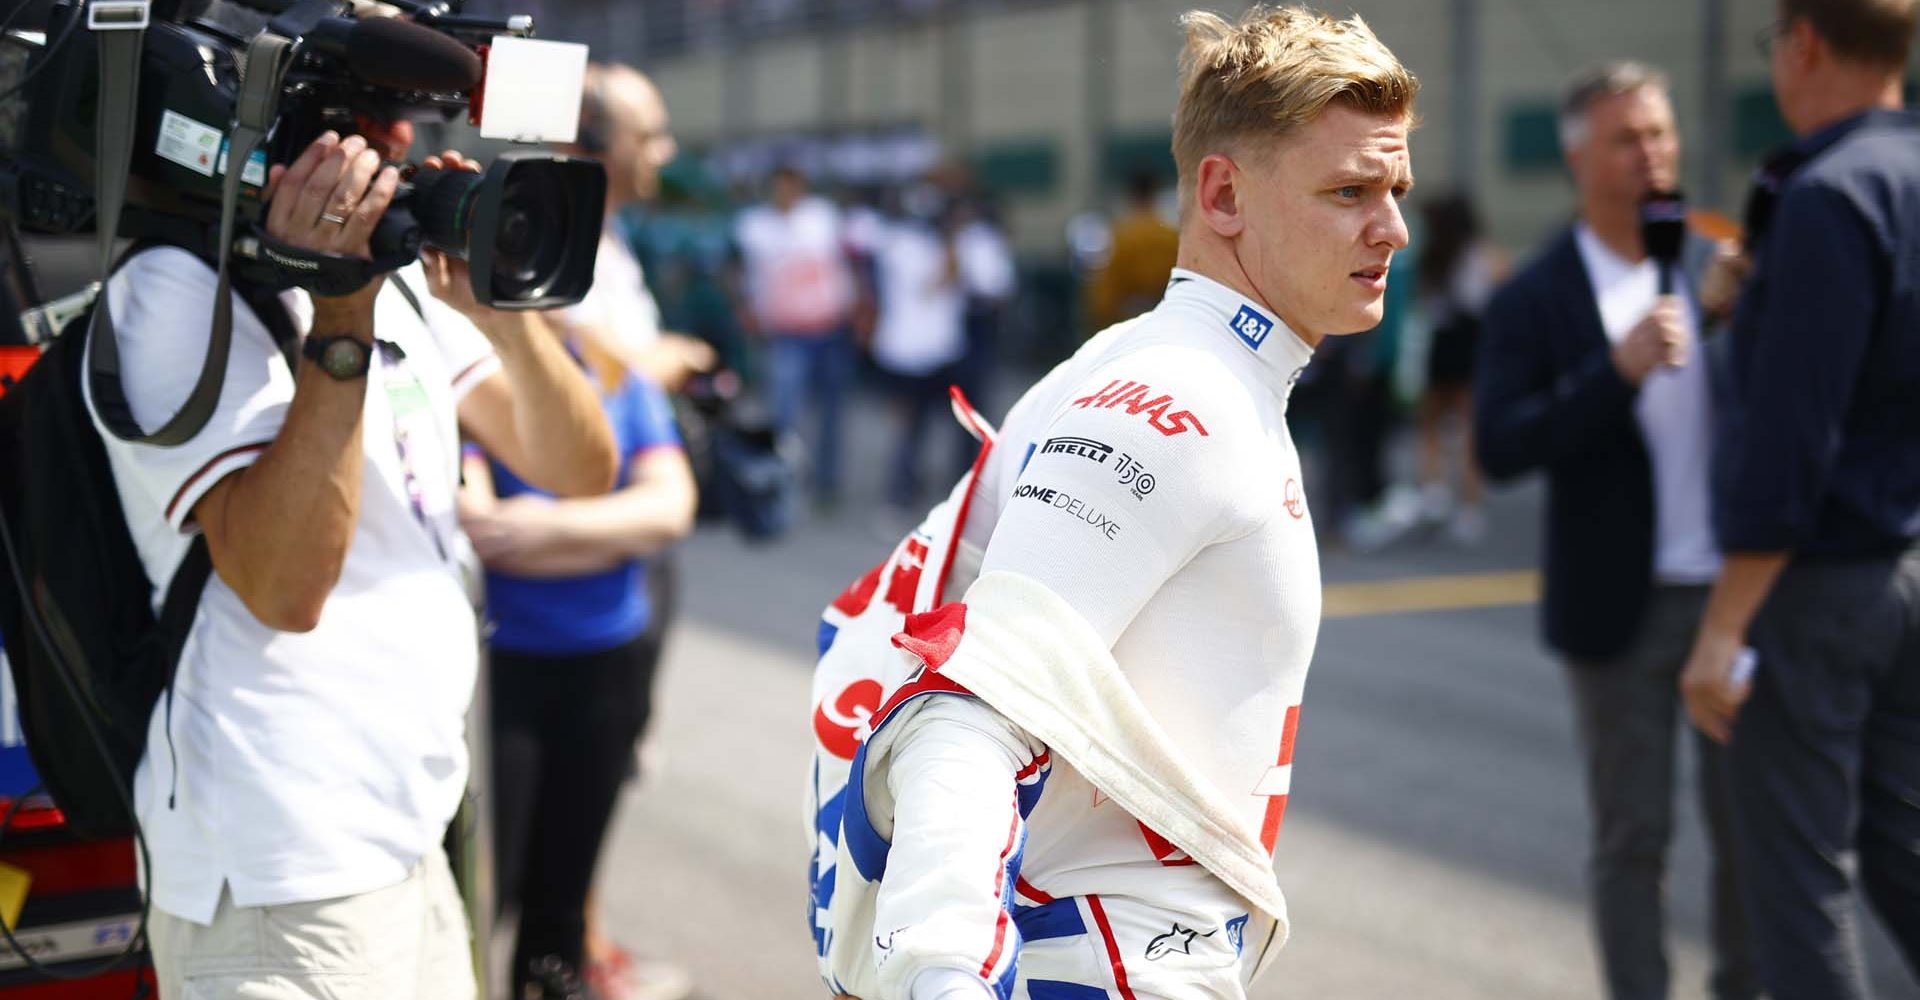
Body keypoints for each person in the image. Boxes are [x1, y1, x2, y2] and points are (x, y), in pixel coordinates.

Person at [806, 7, 1415, 999]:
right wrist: (942, 974)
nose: (1390, 227)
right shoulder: (1184, 394)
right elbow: (971, 704)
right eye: (1350, 190)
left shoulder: (1154, 363)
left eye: (1395, 189)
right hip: (1099, 966)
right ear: (1222, 194)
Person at [92, 122, 617, 998]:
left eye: (412, 109)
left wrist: (503, 319)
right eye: (372, 104)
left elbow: (579, 469)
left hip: (409, 840)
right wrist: (338, 315)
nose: (405, 134)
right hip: (281, 876)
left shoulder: (400, 283)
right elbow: (286, 590)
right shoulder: (175, 290)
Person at [1473, 63, 1754, 1000]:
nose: (1654, 156)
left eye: (1663, 135)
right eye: (1629, 140)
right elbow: (1500, 445)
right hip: (1616, 603)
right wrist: (1616, 372)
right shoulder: (1537, 293)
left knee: (1754, 827)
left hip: (1734, 594)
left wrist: (1735, 312)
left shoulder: (1722, 259)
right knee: (1633, 839)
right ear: (1579, 157)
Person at [1680, 1, 1920, 995]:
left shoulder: (1828, 193)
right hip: (1902, 568)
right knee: (1904, 844)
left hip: (1812, 587)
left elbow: (1791, 443)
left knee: (1799, 888)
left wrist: (1723, 629)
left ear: (1805, 43)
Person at [462, 62, 701, 1000]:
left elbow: (665, 503)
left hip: (605, 639)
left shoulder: (610, 354)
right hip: (507, 656)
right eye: (649, 135)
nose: (664, 154)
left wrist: (545, 527)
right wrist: (590, 526)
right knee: (495, 889)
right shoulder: (485, 342)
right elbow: (483, 520)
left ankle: (573, 964)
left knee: (562, 883)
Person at [732, 165, 858, 508]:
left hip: (829, 327)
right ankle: (782, 485)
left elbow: (847, 264)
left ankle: (827, 485)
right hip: (785, 333)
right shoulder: (754, 226)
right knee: (784, 413)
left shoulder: (822, 217)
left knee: (832, 413)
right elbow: (738, 272)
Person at [1412, 192, 1498, 543]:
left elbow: (1427, 303)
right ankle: (1468, 507)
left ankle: (1434, 491)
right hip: (1470, 345)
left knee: (1431, 423)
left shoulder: (1432, 255)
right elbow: (1483, 301)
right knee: (1469, 429)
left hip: (1442, 343)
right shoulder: (1478, 255)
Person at [1087, 170, 1180, 331]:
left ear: (1130, 195)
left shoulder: (1122, 235)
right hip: (1167, 314)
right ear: (1155, 194)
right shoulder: (1171, 235)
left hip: (1129, 319)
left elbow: (1106, 292)